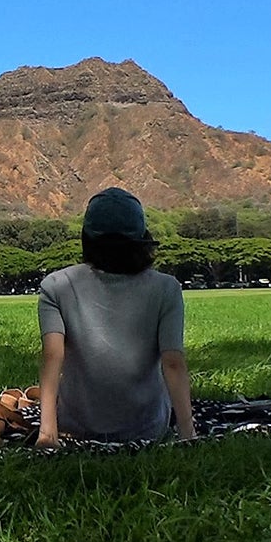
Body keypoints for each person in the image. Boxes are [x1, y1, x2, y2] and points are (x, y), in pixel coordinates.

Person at [36, 187, 194, 448]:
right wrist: (188, 435)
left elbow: (53, 357)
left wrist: (47, 434)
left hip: (76, 426)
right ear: (142, 237)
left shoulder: (56, 285)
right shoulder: (167, 288)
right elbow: (173, 362)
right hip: (147, 427)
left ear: (86, 237)